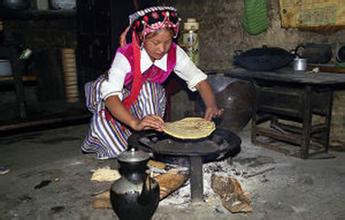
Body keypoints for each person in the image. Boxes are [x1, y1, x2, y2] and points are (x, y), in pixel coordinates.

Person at [81, 6, 223, 159]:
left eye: (167, 42)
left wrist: (211, 105)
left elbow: (199, 80)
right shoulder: (126, 55)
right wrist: (134, 122)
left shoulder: (174, 53)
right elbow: (110, 97)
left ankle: (148, 136)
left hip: (144, 96)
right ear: (143, 37)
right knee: (121, 150)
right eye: (155, 42)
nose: (162, 48)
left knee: (150, 89)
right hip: (114, 100)